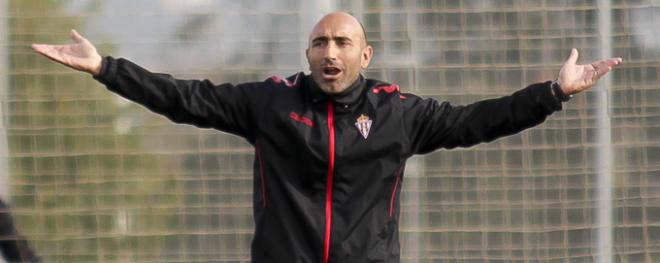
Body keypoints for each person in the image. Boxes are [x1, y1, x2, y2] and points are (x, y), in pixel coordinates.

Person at [32, 11, 622, 263]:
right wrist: (105, 67)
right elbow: (187, 98)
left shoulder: (399, 113)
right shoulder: (271, 102)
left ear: (365, 54)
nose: (330, 51)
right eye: (320, 42)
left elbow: (477, 121)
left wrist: (553, 92)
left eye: (342, 43)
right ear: (308, 53)